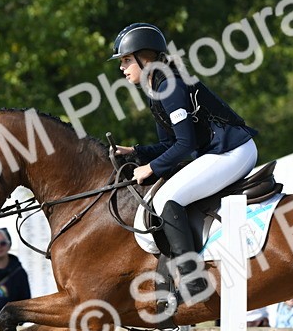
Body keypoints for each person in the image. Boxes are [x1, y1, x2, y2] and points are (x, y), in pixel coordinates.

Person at [110, 22, 259, 305]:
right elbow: (170, 144)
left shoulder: (170, 86)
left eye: (127, 60)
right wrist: (136, 152)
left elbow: (185, 146)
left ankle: (193, 280)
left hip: (233, 151)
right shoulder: (157, 88)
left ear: (147, 58)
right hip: (218, 152)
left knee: (167, 198)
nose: (122, 67)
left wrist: (151, 168)